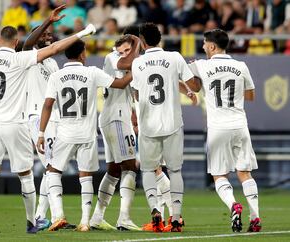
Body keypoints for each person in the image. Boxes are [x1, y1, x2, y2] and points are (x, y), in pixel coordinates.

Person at [0, 4, 96, 236]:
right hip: (18, 124)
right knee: (26, 175)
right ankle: (33, 221)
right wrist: (81, 34)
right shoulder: (22, 59)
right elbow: (53, 49)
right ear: (16, 42)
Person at [36, 40, 133, 232]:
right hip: (86, 134)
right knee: (85, 176)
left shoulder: (56, 76)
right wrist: (135, 68)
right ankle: (85, 221)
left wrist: (41, 133)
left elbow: (47, 105)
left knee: (53, 171)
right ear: (81, 54)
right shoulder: (92, 72)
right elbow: (121, 84)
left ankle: (57, 216)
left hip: (64, 133)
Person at [186, 29, 261, 233]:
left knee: (219, 175)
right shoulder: (241, 65)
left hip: (218, 127)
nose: (203, 47)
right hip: (239, 125)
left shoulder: (200, 65)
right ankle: (255, 217)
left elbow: (193, 85)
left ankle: (233, 206)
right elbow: (251, 96)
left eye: (204, 44)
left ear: (211, 46)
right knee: (245, 172)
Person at [131, 23, 196, 232]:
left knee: (148, 169)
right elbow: (193, 84)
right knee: (175, 170)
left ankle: (155, 212)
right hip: (172, 123)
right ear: (160, 39)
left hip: (148, 124)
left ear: (142, 41)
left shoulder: (137, 63)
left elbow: (137, 93)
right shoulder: (175, 57)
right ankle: (175, 218)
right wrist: (188, 87)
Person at [22, 14, 76, 231]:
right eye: (43, 34)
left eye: (49, 34)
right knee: (52, 166)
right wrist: (47, 22)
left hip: (55, 119)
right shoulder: (29, 56)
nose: (48, 37)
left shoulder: (53, 62)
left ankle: (40, 217)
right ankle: (53, 217)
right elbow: (27, 43)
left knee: (52, 168)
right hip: (36, 118)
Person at [89, 34, 141, 231]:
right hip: (116, 117)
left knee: (113, 170)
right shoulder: (112, 58)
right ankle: (124, 218)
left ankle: (97, 217)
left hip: (118, 116)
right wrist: (137, 43)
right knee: (130, 166)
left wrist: (134, 114)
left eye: (128, 49)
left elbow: (133, 91)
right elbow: (128, 63)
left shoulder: (128, 63)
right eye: (122, 51)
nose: (127, 54)